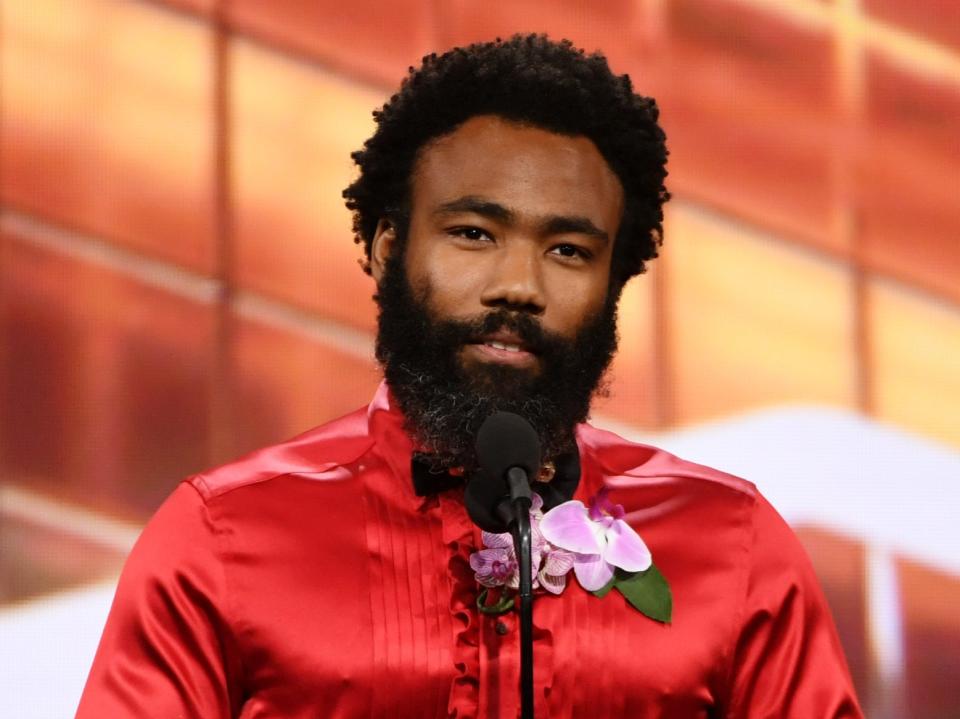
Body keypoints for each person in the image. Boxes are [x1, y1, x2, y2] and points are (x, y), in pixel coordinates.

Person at [76, 35, 863, 718]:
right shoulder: (223, 537)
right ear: (387, 248)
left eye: (568, 250)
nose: (517, 284)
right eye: (474, 232)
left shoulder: (733, 545)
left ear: (614, 285)